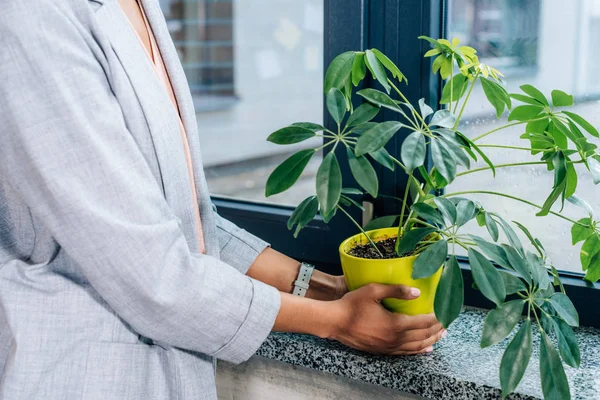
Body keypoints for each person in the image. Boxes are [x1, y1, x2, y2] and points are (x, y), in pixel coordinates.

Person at [0, 0, 445, 398]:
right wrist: (337, 322)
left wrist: (323, 285)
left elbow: (177, 215)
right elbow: (154, 275)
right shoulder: (32, 17)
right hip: (76, 370)